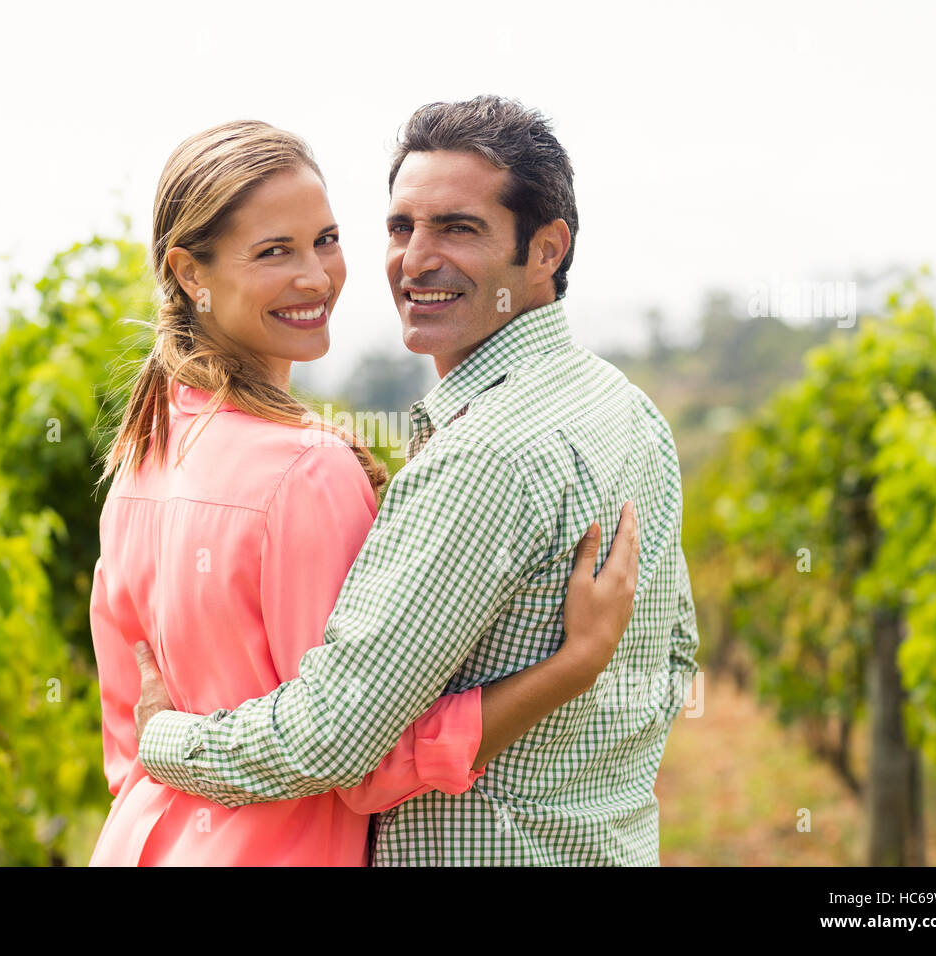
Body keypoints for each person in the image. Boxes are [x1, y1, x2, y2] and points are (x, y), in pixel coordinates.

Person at [133, 97, 700, 867]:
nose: (415, 259)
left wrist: (164, 740)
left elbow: (332, 739)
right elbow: (673, 661)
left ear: (546, 251)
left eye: (458, 229)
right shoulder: (628, 411)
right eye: (401, 228)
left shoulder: (482, 459)